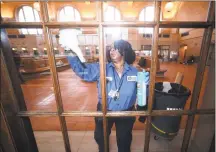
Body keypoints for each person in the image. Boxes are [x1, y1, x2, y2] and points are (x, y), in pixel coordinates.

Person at [59, 29, 149, 152]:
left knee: (124, 140)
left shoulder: (135, 72)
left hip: (126, 113)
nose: (112, 50)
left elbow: (142, 93)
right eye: (111, 48)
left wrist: (143, 109)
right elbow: (83, 71)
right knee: (100, 138)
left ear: (125, 51)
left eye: (116, 48)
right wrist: (69, 50)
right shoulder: (101, 68)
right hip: (104, 110)